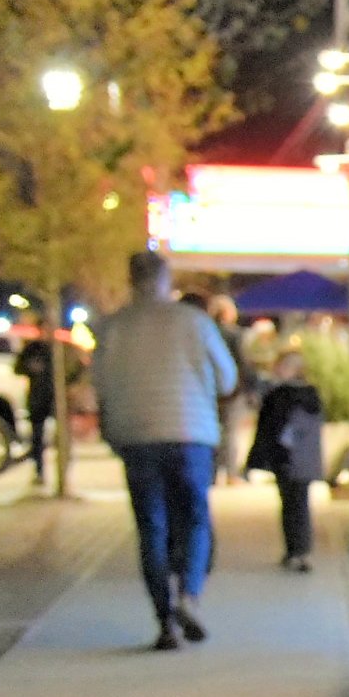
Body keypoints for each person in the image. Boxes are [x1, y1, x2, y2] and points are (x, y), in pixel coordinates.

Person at [92, 250, 238, 650]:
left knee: (151, 527)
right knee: (194, 518)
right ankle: (189, 595)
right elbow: (227, 379)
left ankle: (165, 619)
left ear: (130, 279)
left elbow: (100, 384)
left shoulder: (113, 327)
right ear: (165, 280)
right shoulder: (194, 321)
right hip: (191, 432)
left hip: (137, 436)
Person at [245, 346, 325, 572]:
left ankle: (296, 551)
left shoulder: (280, 396)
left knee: (292, 504)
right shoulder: (310, 395)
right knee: (298, 503)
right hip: (303, 459)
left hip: (286, 458)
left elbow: (269, 429)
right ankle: (299, 550)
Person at [207, 292, 253, 482]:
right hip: (235, 390)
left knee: (214, 432)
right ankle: (232, 473)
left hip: (210, 390)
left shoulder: (207, 333)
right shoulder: (237, 335)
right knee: (232, 431)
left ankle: (214, 472)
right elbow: (244, 363)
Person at [12, 327, 59, 481]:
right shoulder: (33, 348)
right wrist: (31, 368)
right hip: (38, 397)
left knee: (61, 437)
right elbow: (18, 368)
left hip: (56, 398)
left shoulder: (58, 349)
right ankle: (39, 470)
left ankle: (61, 470)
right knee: (37, 436)